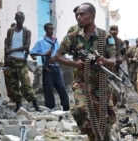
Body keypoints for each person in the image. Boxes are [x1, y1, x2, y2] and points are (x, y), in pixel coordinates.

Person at [55, 3, 117, 141]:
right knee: (80, 111)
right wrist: (75, 63)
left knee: (105, 121)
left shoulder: (105, 36)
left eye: (83, 14)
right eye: (78, 14)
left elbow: (113, 60)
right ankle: (92, 135)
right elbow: (57, 56)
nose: (79, 17)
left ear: (92, 16)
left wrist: (103, 61)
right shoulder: (73, 36)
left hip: (101, 83)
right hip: (82, 82)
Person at [4, 11, 41, 112]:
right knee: (13, 84)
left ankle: (36, 105)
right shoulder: (10, 31)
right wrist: (6, 56)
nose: (20, 20)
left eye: (22, 18)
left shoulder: (27, 32)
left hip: (21, 62)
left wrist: (11, 50)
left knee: (26, 84)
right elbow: (6, 43)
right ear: (15, 18)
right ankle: (18, 105)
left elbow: (26, 46)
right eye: (19, 18)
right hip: (11, 61)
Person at [30, 23, 70, 111]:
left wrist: (57, 58)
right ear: (45, 30)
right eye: (49, 29)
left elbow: (59, 53)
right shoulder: (40, 41)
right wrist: (43, 54)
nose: (51, 31)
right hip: (47, 67)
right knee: (48, 89)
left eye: (52, 29)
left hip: (56, 66)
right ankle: (50, 108)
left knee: (62, 87)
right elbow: (32, 52)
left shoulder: (55, 41)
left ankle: (66, 107)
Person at [109, 25, 126, 107]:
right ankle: (110, 101)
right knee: (108, 83)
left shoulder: (120, 42)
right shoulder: (106, 41)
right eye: (112, 33)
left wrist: (122, 59)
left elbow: (125, 53)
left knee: (117, 82)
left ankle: (118, 100)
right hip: (107, 66)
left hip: (117, 66)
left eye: (115, 33)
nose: (114, 35)